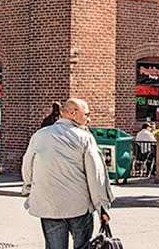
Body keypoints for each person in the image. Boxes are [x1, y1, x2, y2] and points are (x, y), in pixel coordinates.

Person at [21, 98, 113, 249]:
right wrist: (102, 207)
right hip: (79, 207)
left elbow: (27, 166)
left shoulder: (39, 135)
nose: (88, 119)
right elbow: (96, 176)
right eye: (86, 114)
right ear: (73, 113)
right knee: (83, 245)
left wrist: (29, 188)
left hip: (49, 205)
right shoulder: (85, 138)